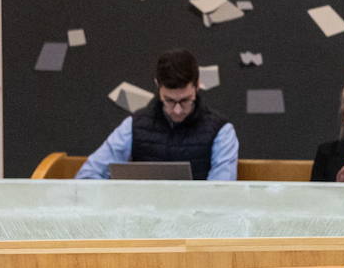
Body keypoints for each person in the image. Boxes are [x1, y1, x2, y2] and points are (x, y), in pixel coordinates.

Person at [76, 50, 237, 181]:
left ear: (197, 86)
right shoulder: (133, 126)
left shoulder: (221, 131)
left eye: (185, 100)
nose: (177, 110)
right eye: (169, 101)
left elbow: (221, 192)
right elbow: (87, 176)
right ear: (157, 86)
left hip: (198, 217)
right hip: (141, 214)